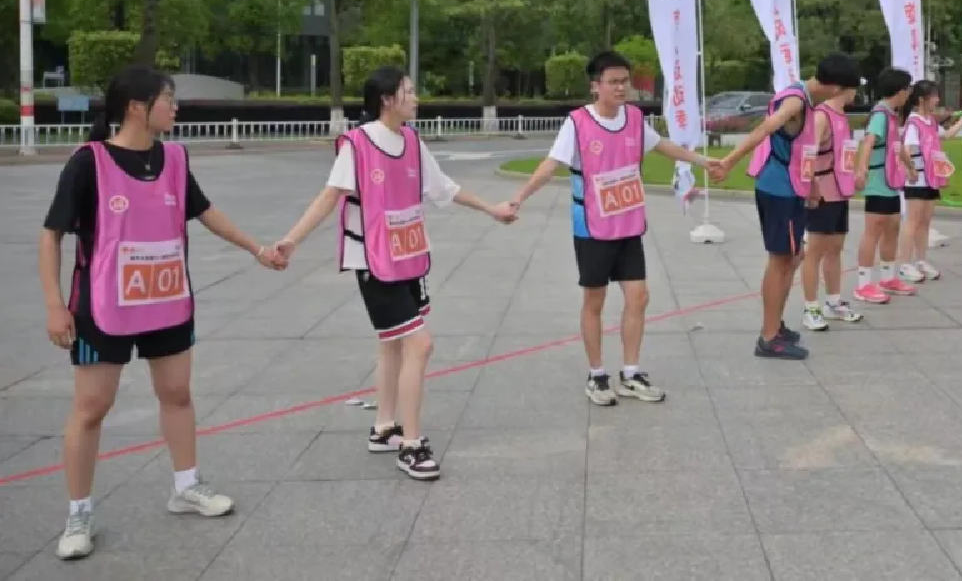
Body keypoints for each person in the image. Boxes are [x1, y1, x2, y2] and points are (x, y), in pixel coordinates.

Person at [40, 66, 284, 561]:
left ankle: (186, 486)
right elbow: (52, 234)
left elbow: (205, 211)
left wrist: (257, 249)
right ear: (137, 107)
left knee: (177, 393)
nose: (175, 107)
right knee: (92, 408)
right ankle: (79, 513)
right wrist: (54, 305)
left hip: (167, 301)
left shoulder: (173, 158)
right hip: (104, 307)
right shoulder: (89, 163)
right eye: (168, 99)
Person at [273, 67, 516, 482]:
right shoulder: (358, 144)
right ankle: (411, 445)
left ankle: (385, 427)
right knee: (420, 343)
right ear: (387, 99)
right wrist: (292, 240)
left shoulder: (412, 141)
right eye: (409, 91)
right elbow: (330, 196)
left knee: (393, 344)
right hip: (374, 262)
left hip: (409, 256)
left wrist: (492, 209)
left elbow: (444, 188)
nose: (416, 97)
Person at [510, 51, 725, 406]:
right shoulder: (577, 123)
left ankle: (631, 373)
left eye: (625, 81)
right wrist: (519, 198)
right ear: (595, 86)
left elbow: (662, 145)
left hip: (628, 224)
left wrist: (702, 161)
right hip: (592, 227)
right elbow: (551, 165)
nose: (621, 88)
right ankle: (597, 375)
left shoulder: (634, 119)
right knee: (594, 300)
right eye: (613, 82)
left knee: (639, 297)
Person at [720, 53, 861, 360]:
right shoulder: (797, 102)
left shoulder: (806, 100)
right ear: (837, 88)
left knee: (794, 256)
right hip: (778, 190)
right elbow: (765, 128)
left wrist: (812, 187)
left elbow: (801, 151)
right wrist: (729, 161)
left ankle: (775, 325)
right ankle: (769, 337)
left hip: (791, 187)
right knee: (781, 261)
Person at [800, 88, 864, 330]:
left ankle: (834, 302)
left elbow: (844, 153)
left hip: (840, 191)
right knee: (814, 251)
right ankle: (811, 308)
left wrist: (855, 174)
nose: (856, 92)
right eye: (854, 86)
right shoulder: (821, 116)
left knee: (835, 249)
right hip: (822, 193)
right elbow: (807, 155)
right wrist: (811, 186)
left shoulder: (842, 116)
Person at [852, 68, 915, 303]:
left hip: (891, 183)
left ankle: (889, 278)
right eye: (907, 89)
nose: (909, 93)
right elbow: (868, 143)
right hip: (878, 182)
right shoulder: (880, 114)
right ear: (898, 91)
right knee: (874, 231)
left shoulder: (891, 115)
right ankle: (863, 284)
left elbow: (896, 146)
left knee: (892, 228)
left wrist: (910, 167)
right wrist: (862, 169)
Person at [896, 80, 962, 283]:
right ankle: (905, 264)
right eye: (934, 96)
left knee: (925, 222)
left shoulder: (930, 121)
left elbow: (946, 135)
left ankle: (921, 261)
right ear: (922, 99)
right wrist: (910, 170)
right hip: (917, 179)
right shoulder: (914, 123)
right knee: (912, 222)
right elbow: (906, 151)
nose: (937, 99)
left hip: (931, 178)